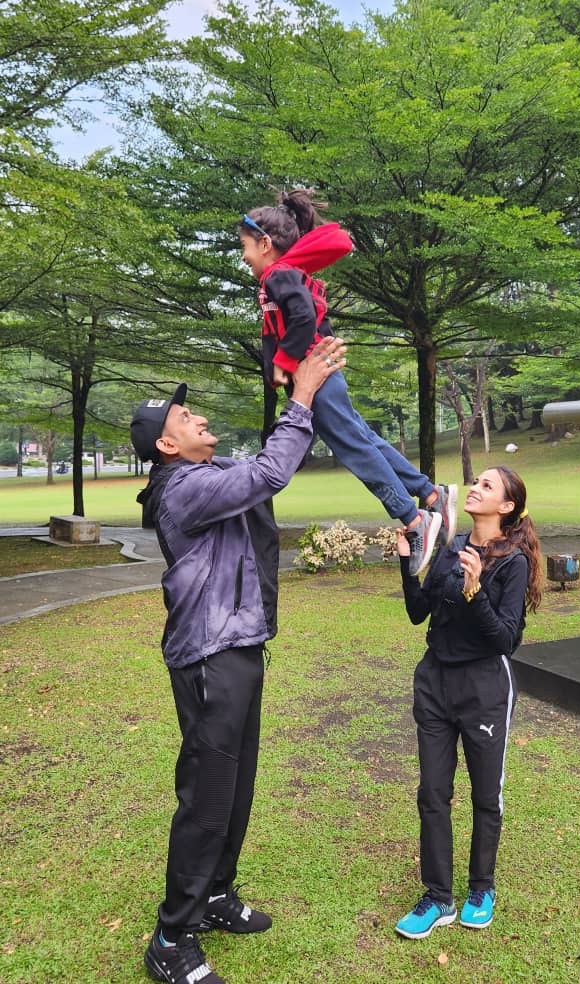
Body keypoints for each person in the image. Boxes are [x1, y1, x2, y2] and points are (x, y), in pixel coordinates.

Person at [130, 338, 347, 984]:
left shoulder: (208, 472)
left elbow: (265, 465)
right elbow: (267, 474)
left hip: (241, 648)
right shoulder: (182, 488)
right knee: (207, 796)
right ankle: (172, 937)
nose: (196, 418)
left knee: (237, 788)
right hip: (208, 658)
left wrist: (293, 392)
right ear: (168, 446)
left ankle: (217, 895)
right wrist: (302, 397)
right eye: (183, 419)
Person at [238, 187, 457, 575]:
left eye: (245, 246)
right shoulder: (281, 275)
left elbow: (304, 316)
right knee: (363, 438)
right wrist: (275, 370)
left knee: (354, 449)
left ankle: (413, 518)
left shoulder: (278, 275)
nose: (243, 256)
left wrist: (285, 363)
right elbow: (280, 327)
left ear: (265, 243)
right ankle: (430, 493)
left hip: (315, 376)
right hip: (321, 376)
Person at [393, 465, 543, 939]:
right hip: (435, 684)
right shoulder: (452, 548)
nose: (475, 488)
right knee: (432, 794)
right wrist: (406, 562)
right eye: (475, 482)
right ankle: (438, 897)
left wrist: (476, 589)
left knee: (485, 795)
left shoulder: (512, 562)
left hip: (483, 690)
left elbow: (504, 640)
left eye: (486, 485)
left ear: (507, 507)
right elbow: (419, 614)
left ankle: (482, 888)